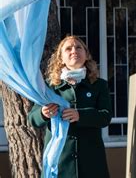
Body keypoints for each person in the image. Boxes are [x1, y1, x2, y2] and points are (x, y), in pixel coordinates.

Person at [28, 36, 112, 178]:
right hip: (59, 162)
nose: (74, 51)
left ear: (86, 55)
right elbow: (32, 119)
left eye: (79, 47)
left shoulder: (99, 85)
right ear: (61, 58)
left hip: (91, 162)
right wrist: (43, 113)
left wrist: (80, 115)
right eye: (68, 48)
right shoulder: (49, 87)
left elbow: (105, 117)